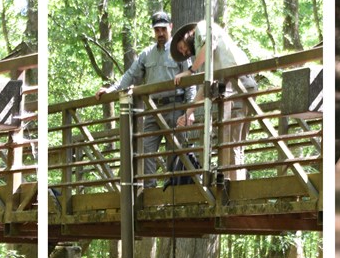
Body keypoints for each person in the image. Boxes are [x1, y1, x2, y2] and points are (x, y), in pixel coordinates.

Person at [96, 10, 195, 186]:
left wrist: (189, 112)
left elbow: (190, 81)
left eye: (163, 29)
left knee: (174, 151)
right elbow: (129, 76)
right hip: (152, 109)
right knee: (147, 150)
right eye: (157, 30)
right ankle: (150, 194)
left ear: (170, 28)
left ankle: (174, 192)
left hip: (175, 107)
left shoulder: (179, 50)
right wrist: (110, 90)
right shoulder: (147, 54)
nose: (160, 34)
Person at [170, 20, 257, 179]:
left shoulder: (203, 27)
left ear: (187, 35)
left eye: (182, 48)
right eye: (183, 53)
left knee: (232, 144)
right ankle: (234, 188)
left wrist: (190, 71)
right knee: (234, 144)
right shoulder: (204, 57)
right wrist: (189, 113)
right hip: (237, 87)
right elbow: (205, 86)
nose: (185, 52)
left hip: (238, 85)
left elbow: (209, 45)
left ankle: (234, 190)